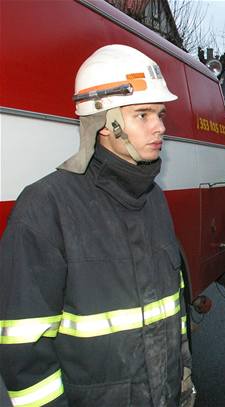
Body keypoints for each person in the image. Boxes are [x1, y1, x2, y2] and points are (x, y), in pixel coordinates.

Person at [0, 44, 194, 406]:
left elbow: (172, 309)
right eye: (143, 114)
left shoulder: (152, 198)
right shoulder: (46, 207)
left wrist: (181, 378)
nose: (160, 127)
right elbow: (24, 353)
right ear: (105, 124)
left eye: (160, 114)